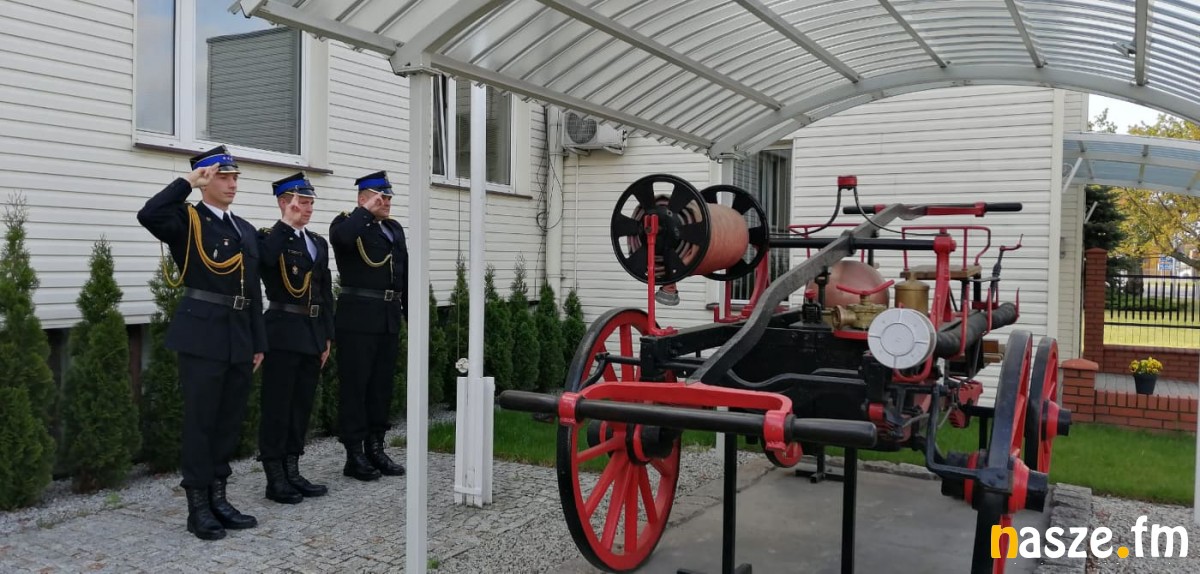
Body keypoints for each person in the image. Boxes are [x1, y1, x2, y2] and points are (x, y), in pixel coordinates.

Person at [136, 145, 265, 541]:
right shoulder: (186, 220)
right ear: (206, 179)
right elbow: (149, 214)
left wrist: (258, 341)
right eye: (223, 177)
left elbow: (253, 290)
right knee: (201, 422)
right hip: (202, 334)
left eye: (235, 177)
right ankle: (197, 507)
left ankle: (219, 498)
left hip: (239, 335)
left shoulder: (244, 229)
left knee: (228, 423)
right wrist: (188, 182)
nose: (232, 184)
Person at [256, 172, 334, 504]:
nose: (308, 208)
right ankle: (275, 477)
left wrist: (327, 335)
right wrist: (285, 224)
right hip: (283, 329)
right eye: (302, 202)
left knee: (301, 405)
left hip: (312, 331)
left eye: (311, 202)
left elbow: (325, 291)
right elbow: (263, 261)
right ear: (283, 203)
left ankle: (293, 469)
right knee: (278, 405)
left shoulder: (317, 242)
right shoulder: (269, 237)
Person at [328, 171, 408, 481]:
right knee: (355, 387)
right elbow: (341, 240)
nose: (386, 202)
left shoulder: (393, 229)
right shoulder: (347, 223)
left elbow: (403, 272)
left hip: (387, 316)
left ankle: (376, 447)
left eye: (388, 197)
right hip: (358, 319)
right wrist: (364, 212)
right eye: (380, 197)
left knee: (380, 387)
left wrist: (409, 313)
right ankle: (354, 453)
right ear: (363, 199)